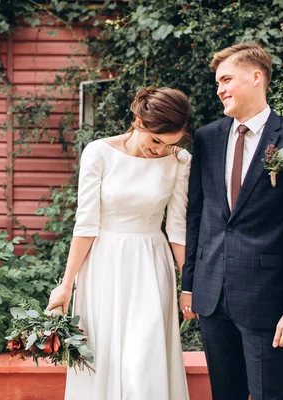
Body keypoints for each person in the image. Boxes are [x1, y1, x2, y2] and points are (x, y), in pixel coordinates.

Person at [180, 43, 283, 400]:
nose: (220, 90)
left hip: (268, 301)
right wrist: (190, 285)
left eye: (226, 79)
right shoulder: (207, 137)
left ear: (256, 77)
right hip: (212, 296)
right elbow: (197, 216)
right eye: (217, 82)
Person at [47, 86, 193, 400]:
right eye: (156, 140)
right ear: (139, 120)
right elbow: (86, 224)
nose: (159, 151)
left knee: (144, 361)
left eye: (169, 144)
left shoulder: (180, 161)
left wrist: (189, 285)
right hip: (104, 265)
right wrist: (66, 285)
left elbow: (177, 228)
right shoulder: (98, 152)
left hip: (152, 267)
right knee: (104, 357)